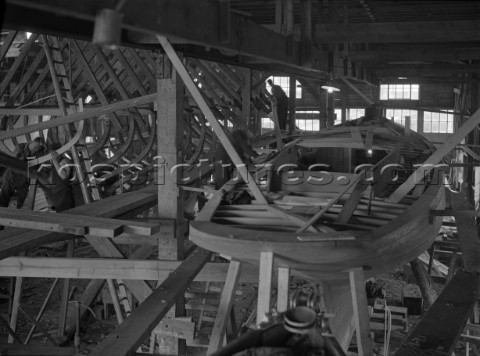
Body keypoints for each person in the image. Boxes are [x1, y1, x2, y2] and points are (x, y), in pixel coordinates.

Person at [0, 137, 45, 209]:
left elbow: (38, 165)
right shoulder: (21, 147)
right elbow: (13, 158)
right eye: (35, 147)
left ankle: (19, 214)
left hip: (24, 178)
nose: (36, 150)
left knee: (21, 201)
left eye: (37, 148)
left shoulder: (40, 151)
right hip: (11, 175)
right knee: (4, 196)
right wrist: (23, 157)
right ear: (31, 142)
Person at [38, 146, 76, 212]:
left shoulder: (64, 161)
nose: (50, 158)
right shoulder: (53, 166)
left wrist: (54, 161)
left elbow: (64, 176)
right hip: (57, 195)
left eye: (52, 155)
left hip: (64, 194)